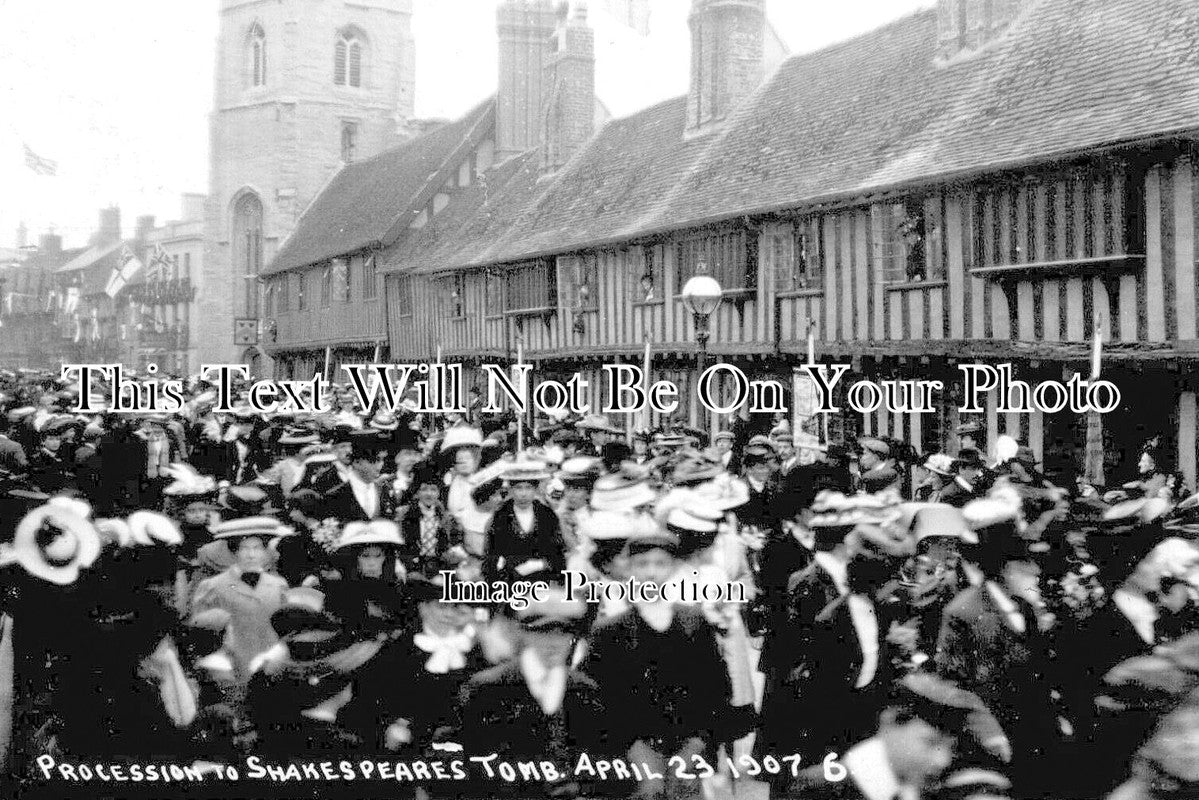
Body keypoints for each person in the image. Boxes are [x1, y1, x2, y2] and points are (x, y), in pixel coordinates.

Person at [439, 583, 608, 798]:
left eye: (563, 634)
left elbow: (600, 759)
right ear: (524, 635)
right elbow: (464, 759)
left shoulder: (584, 689)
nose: (554, 643)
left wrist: (581, 786)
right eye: (543, 633)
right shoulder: (487, 688)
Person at [188, 517, 291, 683]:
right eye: (244, 548)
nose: (251, 555)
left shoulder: (279, 586)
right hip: (230, 674)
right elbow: (202, 632)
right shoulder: (213, 587)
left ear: (265, 552)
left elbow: (287, 631)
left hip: (271, 671)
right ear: (234, 552)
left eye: (257, 548)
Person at [483, 460, 566, 583]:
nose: (523, 494)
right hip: (509, 580)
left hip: (543, 580)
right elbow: (491, 556)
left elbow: (558, 553)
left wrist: (539, 565)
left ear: (535, 489)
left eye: (528, 488)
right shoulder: (500, 517)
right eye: (518, 488)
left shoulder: (547, 516)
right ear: (511, 489)